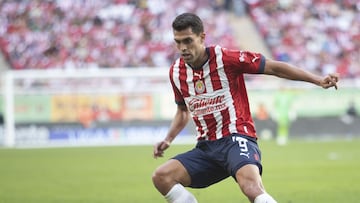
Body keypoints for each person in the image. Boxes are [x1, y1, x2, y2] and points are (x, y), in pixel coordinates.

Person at [152, 13, 339, 203]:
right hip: (207, 148)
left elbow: (274, 68)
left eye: (188, 41)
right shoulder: (176, 72)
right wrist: (168, 139)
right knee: (162, 177)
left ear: (202, 37)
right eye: (178, 42)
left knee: (251, 187)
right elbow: (183, 111)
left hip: (236, 138)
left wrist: (317, 80)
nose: (183, 48)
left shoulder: (226, 59)